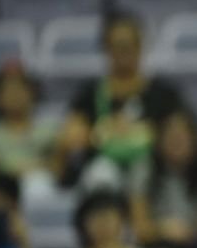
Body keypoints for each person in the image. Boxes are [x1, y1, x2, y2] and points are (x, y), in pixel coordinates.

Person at [58, 14, 189, 190]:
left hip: (153, 178)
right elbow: (72, 136)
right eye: (117, 46)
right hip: (101, 175)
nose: (124, 52)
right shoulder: (90, 94)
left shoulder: (164, 94)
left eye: (129, 45)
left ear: (141, 46)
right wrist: (103, 134)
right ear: (106, 48)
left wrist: (144, 134)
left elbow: (180, 137)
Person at [129, 109, 197, 248]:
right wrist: (163, 229)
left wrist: (188, 232)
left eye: (182, 137)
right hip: (154, 245)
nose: (177, 143)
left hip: (196, 245)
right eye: (171, 137)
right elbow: (140, 228)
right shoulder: (144, 169)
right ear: (159, 141)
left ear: (195, 140)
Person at [0, 60, 59, 193]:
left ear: (32, 92)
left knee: (38, 183)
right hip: (1, 190)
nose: (14, 95)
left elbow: (57, 166)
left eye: (20, 88)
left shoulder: (49, 131)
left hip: (38, 187)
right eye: (8, 89)